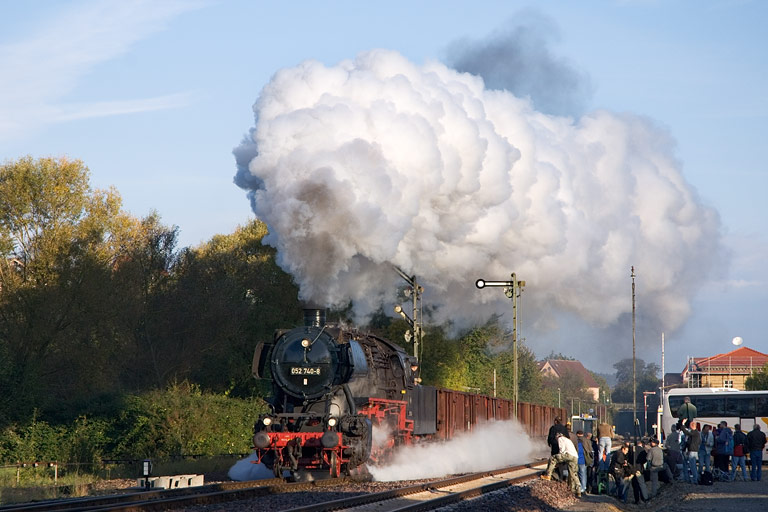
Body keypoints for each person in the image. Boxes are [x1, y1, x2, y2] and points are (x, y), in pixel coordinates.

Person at [541, 431, 582, 497]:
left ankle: (548, 475)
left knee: (552, 458)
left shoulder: (560, 439)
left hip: (568, 455)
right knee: (573, 474)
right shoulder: (568, 440)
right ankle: (578, 491)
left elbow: (562, 449)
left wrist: (559, 459)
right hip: (575, 457)